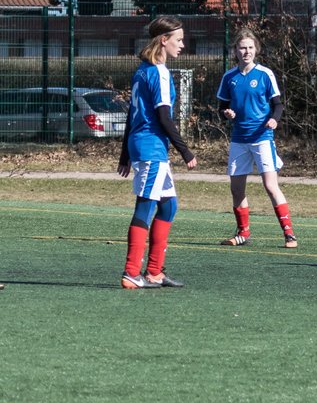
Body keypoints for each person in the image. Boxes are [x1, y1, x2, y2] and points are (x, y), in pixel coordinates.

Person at [116, 15, 197, 289]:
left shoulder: (141, 69)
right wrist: (186, 151)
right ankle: (131, 272)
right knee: (146, 206)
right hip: (151, 147)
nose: (182, 44)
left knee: (168, 205)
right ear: (164, 40)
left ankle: (154, 272)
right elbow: (163, 117)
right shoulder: (158, 72)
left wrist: (125, 153)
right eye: (178, 39)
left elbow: (132, 114)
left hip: (145, 146)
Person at [216, 29, 297, 248]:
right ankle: (243, 233)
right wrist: (226, 113)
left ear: (256, 50)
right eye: (242, 47)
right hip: (239, 139)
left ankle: (289, 234)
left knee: (270, 186)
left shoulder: (265, 74)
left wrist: (274, 120)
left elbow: (278, 104)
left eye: (250, 47)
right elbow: (222, 107)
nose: (247, 51)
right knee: (236, 188)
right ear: (236, 50)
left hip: (262, 137)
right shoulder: (229, 77)